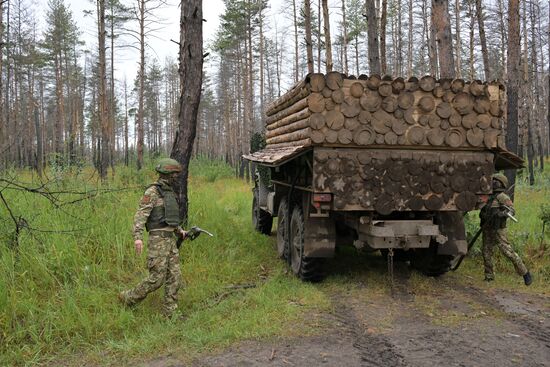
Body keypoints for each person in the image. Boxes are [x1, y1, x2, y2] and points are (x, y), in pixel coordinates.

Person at [119, 158, 187, 317]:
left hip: (170, 241)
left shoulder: (168, 192)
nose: (176, 177)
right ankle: (128, 298)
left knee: (175, 277)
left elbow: (168, 216)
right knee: (156, 279)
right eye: (175, 174)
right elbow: (141, 215)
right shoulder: (152, 192)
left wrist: (179, 231)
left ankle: (170, 312)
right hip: (157, 241)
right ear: (168, 174)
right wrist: (138, 237)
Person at [479, 173, 532, 286]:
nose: (493, 183)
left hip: (498, 230)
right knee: (486, 252)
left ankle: (525, 273)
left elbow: (512, 211)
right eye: (492, 180)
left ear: (501, 183)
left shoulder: (503, 197)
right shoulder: (487, 196)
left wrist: (502, 213)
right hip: (487, 228)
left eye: (495, 181)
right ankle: (489, 276)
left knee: (508, 252)